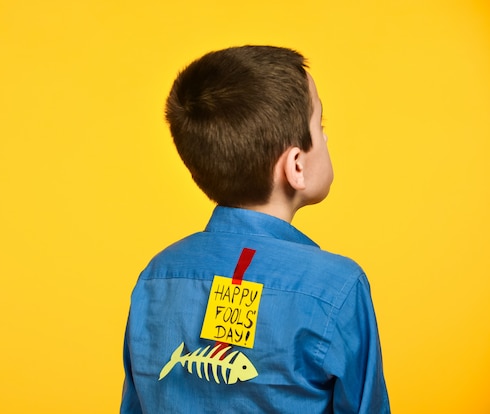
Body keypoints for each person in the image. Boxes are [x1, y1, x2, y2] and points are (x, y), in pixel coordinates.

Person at [121, 45, 390, 413]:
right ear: (295, 166)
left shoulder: (156, 277)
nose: (325, 138)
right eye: (320, 126)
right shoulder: (338, 288)